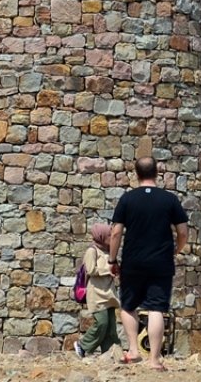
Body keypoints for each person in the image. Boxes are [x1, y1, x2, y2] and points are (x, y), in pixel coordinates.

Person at [108, 157, 188, 371]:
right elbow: (182, 232)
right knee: (156, 308)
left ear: (136, 175)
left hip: (133, 261)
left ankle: (133, 350)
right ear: (157, 173)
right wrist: (176, 250)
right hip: (161, 262)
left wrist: (112, 260)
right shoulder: (169, 200)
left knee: (128, 305)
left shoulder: (127, 199)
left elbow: (116, 232)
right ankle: (154, 361)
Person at [75, 223, 120, 357]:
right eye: (109, 235)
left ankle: (112, 352)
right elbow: (91, 269)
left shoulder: (109, 252)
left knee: (111, 326)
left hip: (109, 293)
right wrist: (108, 269)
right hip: (96, 293)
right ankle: (83, 346)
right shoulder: (92, 251)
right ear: (101, 236)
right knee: (102, 322)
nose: (112, 238)